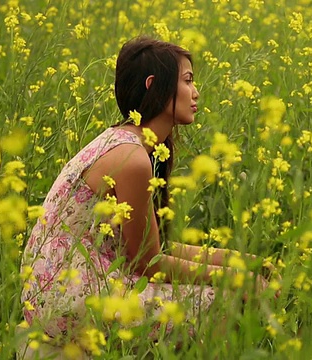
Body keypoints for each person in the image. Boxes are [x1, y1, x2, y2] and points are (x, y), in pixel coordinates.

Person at [19, 36, 271, 355]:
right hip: (73, 300)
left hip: (63, 289)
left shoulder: (123, 141)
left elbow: (153, 246)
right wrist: (232, 279)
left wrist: (236, 261)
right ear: (154, 85)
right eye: (188, 80)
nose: (196, 92)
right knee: (229, 299)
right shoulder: (133, 159)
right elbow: (148, 264)